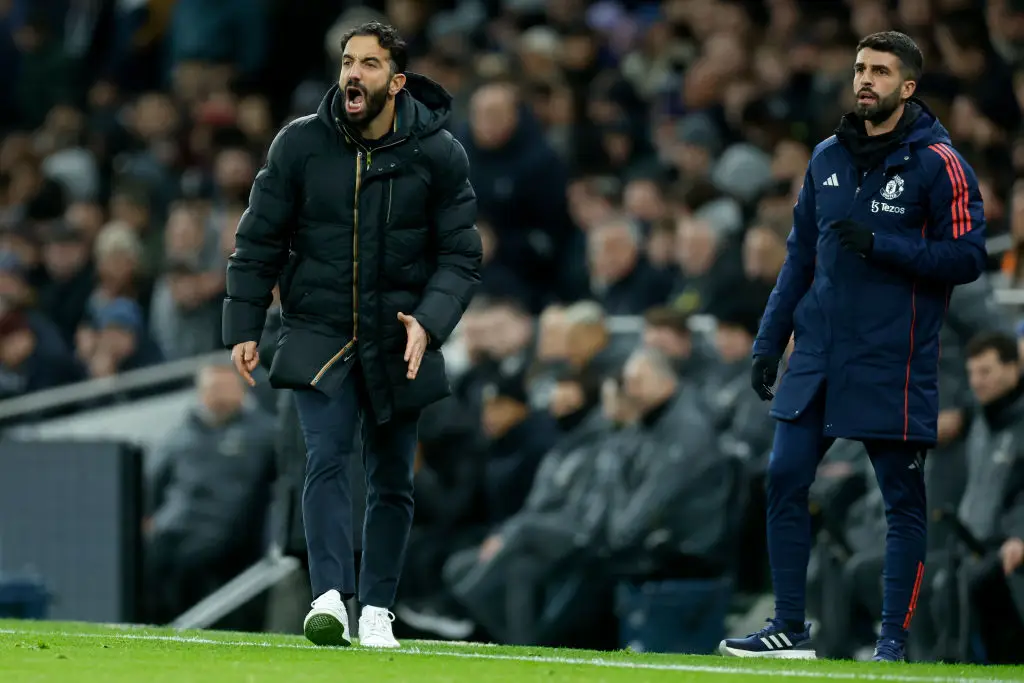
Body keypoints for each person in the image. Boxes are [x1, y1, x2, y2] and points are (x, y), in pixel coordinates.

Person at [721, 31, 986, 662]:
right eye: (861, 69)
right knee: (783, 477)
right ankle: (788, 628)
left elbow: (970, 256)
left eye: (881, 71)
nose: (865, 79)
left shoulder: (939, 161)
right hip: (817, 351)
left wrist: (883, 246)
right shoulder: (826, 157)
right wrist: (769, 340)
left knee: (901, 500)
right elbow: (798, 258)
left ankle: (893, 642)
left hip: (891, 359)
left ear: (908, 87)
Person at [222, 21, 482, 649]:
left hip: (399, 337)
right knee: (327, 459)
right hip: (319, 332)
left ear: (396, 81)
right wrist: (244, 325)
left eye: (368, 64)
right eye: (346, 62)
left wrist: (430, 319)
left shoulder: (439, 154)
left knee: (392, 479)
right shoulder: (300, 145)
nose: (352, 75)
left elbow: (460, 256)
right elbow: (258, 241)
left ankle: (378, 609)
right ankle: (331, 598)